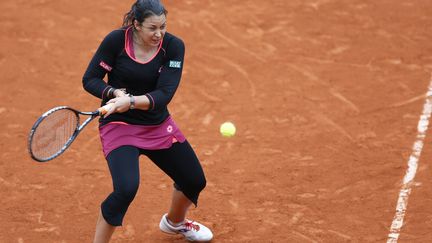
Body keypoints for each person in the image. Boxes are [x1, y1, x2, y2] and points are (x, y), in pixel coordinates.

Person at [82, 0, 213, 242]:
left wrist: (130, 101)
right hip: (119, 126)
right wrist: (114, 93)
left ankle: (175, 223)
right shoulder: (116, 41)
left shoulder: (173, 47)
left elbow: (164, 95)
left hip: (157, 125)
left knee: (194, 180)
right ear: (136, 25)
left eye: (163, 26)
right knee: (126, 189)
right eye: (152, 28)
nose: (159, 33)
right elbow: (90, 79)